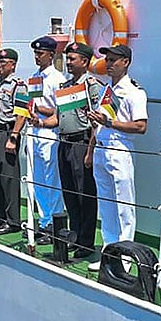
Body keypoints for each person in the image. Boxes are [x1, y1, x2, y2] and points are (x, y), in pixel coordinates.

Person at [38, 42, 103, 266]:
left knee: (85, 194)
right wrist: (39, 122)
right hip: (64, 143)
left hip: (81, 144)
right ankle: (74, 235)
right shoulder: (65, 86)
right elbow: (58, 118)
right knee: (70, 193)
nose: (68, 62)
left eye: (73, 58)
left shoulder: (91, 86)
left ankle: (86, 241)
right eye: (68, 58)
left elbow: (95, 122)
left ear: (84, 61)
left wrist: (90, 151)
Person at [86, 44, 148, 270]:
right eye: (107, 60)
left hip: (119, 149)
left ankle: (126, 256)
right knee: (106, 204)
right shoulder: (106, 91)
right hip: (102, 148)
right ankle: (109, 252)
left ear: (126, 62)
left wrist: (110, 122)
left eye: (114, 60)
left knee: (123, 205)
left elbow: (141, 126)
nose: (109, 64)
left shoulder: (134, 92)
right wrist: (91, 149)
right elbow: (99, 122)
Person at [25, 36, 66, 243]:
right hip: (34, 130)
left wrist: (38, 109)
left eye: (40, 54)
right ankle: (43, 221)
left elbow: (59, 110)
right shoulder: (34, 77)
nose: (37, 57)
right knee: (38, 180)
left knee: (52, 181)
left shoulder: (58, 79)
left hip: (50, 132)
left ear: (51, 55)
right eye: (35, 53)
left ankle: (54, 224)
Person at [0, 48, 27, 235]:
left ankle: (12, 220)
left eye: (3, 62)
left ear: (13, 64)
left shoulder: (18, 86)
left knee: (8, 179)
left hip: (5, 135)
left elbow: (21, 113)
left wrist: (14, 137)